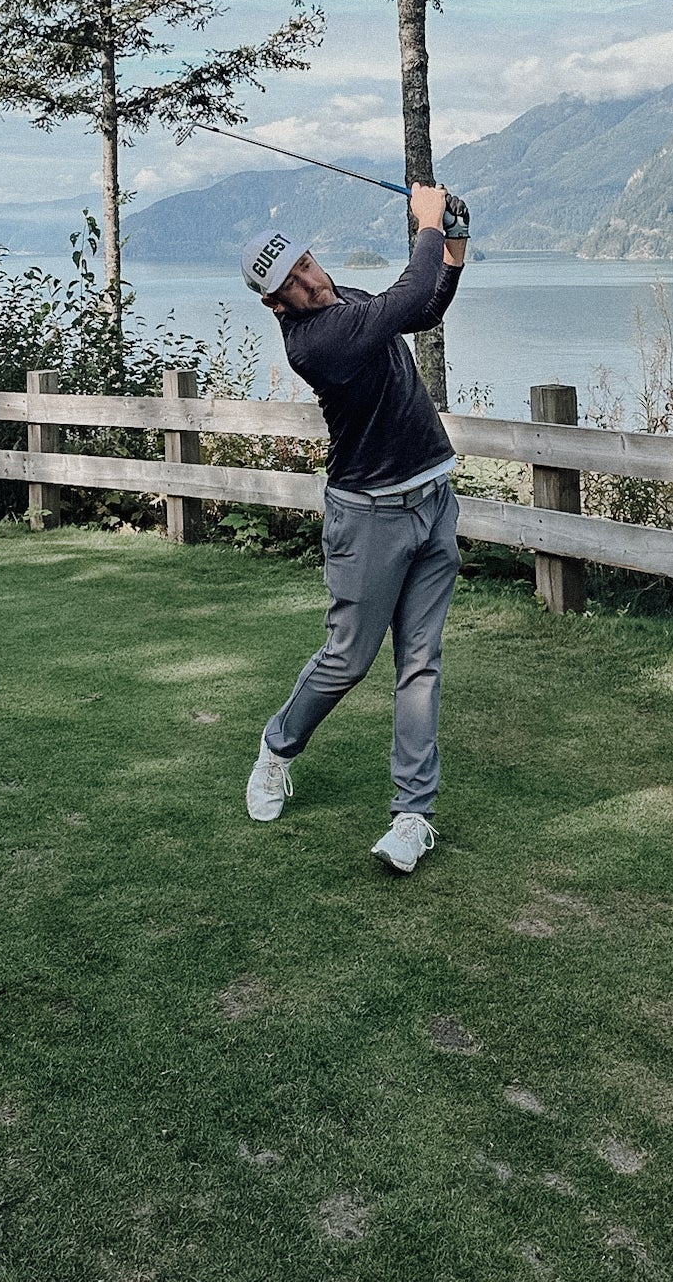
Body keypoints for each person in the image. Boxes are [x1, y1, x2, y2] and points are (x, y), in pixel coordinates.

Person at [240, 184, 468, 873]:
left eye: (308, 261)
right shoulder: (316, 343)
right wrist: (426, 224)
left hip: (432, 496)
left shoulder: (346, 301)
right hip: (369, 519)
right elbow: (402, 301)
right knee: (347, 660)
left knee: (420, 666)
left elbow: (422, 307)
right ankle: (278, 748)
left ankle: (412, 816)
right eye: (294, 281)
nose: (312, 278)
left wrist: (453, 241)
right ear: (275, 304)